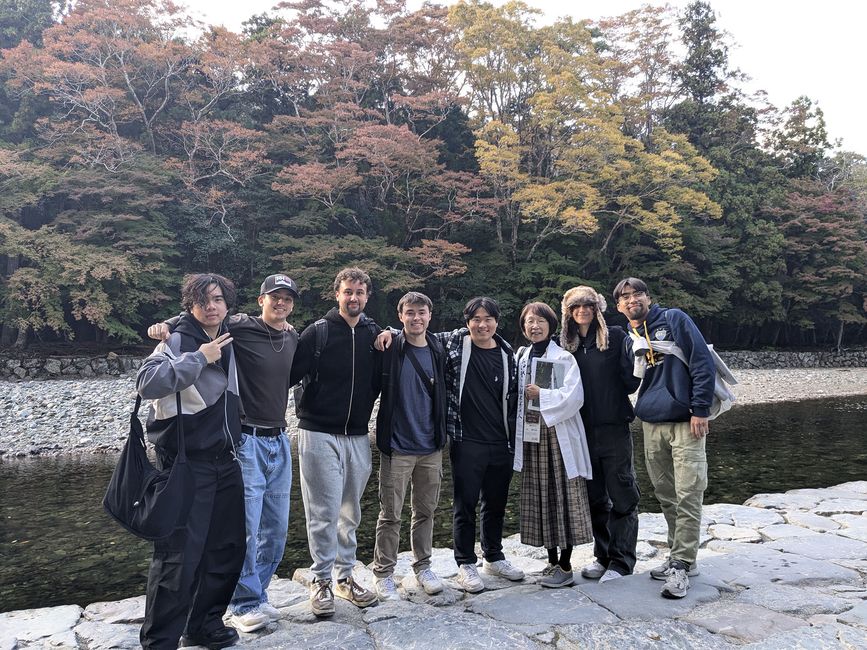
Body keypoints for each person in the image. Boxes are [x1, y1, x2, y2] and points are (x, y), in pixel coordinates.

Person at [148, 273, 300, 632]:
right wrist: (164, 325)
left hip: (280, 438)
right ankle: (243, 601)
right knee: (244, 527)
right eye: (274, 297)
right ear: (260, 300)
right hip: (245, 440)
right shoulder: (239, 326)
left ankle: (258, 593)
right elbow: (197, 315)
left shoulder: (293, 334)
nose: (280, 303)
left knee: (275, 529)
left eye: (287, 298)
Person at [136, 273, 245, 650]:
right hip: (186, 462)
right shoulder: (177, 338)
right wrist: (199, 358)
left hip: (226, 459)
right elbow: (147, 382)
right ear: (190, 305)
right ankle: (159, 641)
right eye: (202, 301)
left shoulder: (229, 330)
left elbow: (270, 315)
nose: (211, 307)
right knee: (178, 557)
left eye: (217, 299)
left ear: (227, 303)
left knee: (227, 547)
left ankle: (203, 624)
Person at [288, 267, 381, 617]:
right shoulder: (318, 333)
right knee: (322, 511)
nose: (353, 297)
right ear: (337, 294)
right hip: (318, 432)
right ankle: (321, 579)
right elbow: (286, 375)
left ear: (367, 296)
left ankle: (345, 576)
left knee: (350, 510)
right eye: (347, 291)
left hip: (358, 434)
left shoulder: (374, 334)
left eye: (359, 292)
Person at [614, 277, 715, 599]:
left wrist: (700, 410)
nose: (632, 301)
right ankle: (678, 554)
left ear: (648, 297)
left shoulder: (673, 319)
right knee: (665, 492)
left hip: (686, 421)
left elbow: (702, 362)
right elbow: (632, 380)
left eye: (637, 294)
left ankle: (682, 564)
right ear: (618, 306)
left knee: (688, 492)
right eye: (625, 297)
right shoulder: (630, 335)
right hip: (651, 421)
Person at [435, 297, 523, 593]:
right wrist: (386, 332)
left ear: (497, 321)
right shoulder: (455, 344)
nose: (482, 324)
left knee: (496, 503)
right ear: (467, 321)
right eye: (476, 318)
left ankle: (494, 555)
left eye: (488, 318)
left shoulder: (508, 353)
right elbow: (414, 330)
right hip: (466, 438)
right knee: (465, 503)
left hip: (501, 440)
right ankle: (465, 562)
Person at [559, 286, 641, 584]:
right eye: (576, 306)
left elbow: (631, 382)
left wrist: (640, 358)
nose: (583, 311)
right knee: (595, 498)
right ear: (568, 311)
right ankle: (602, 554)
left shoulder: (616, 337)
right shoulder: (565, 344)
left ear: (597, 308)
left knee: (622, 493)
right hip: (581, 431)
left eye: (588, 306)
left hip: (614, 427)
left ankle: (621, 561)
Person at [371, 291, 448, 601]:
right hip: (398, 446)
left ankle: (423, 565)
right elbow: (368, 328)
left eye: (422, 312)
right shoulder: (391, 346)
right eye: (410, 313)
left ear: (430, 315)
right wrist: (384, 332)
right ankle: (384, 572)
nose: (417, 318)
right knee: (390, 514)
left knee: (425, 511)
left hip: (431, 445)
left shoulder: (438, 348)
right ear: (400, 316)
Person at [514, 302, 593, 589]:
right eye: (529, 322)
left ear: (551, 325)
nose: (534, 326)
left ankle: (567, 563)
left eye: (540, 321)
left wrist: (541, 395)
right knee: (541, 494)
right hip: (532, 436)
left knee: (563, 493)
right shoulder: (521, 357)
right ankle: (551, 560)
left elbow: (574, 397)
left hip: (557, 434)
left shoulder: (563, 358)